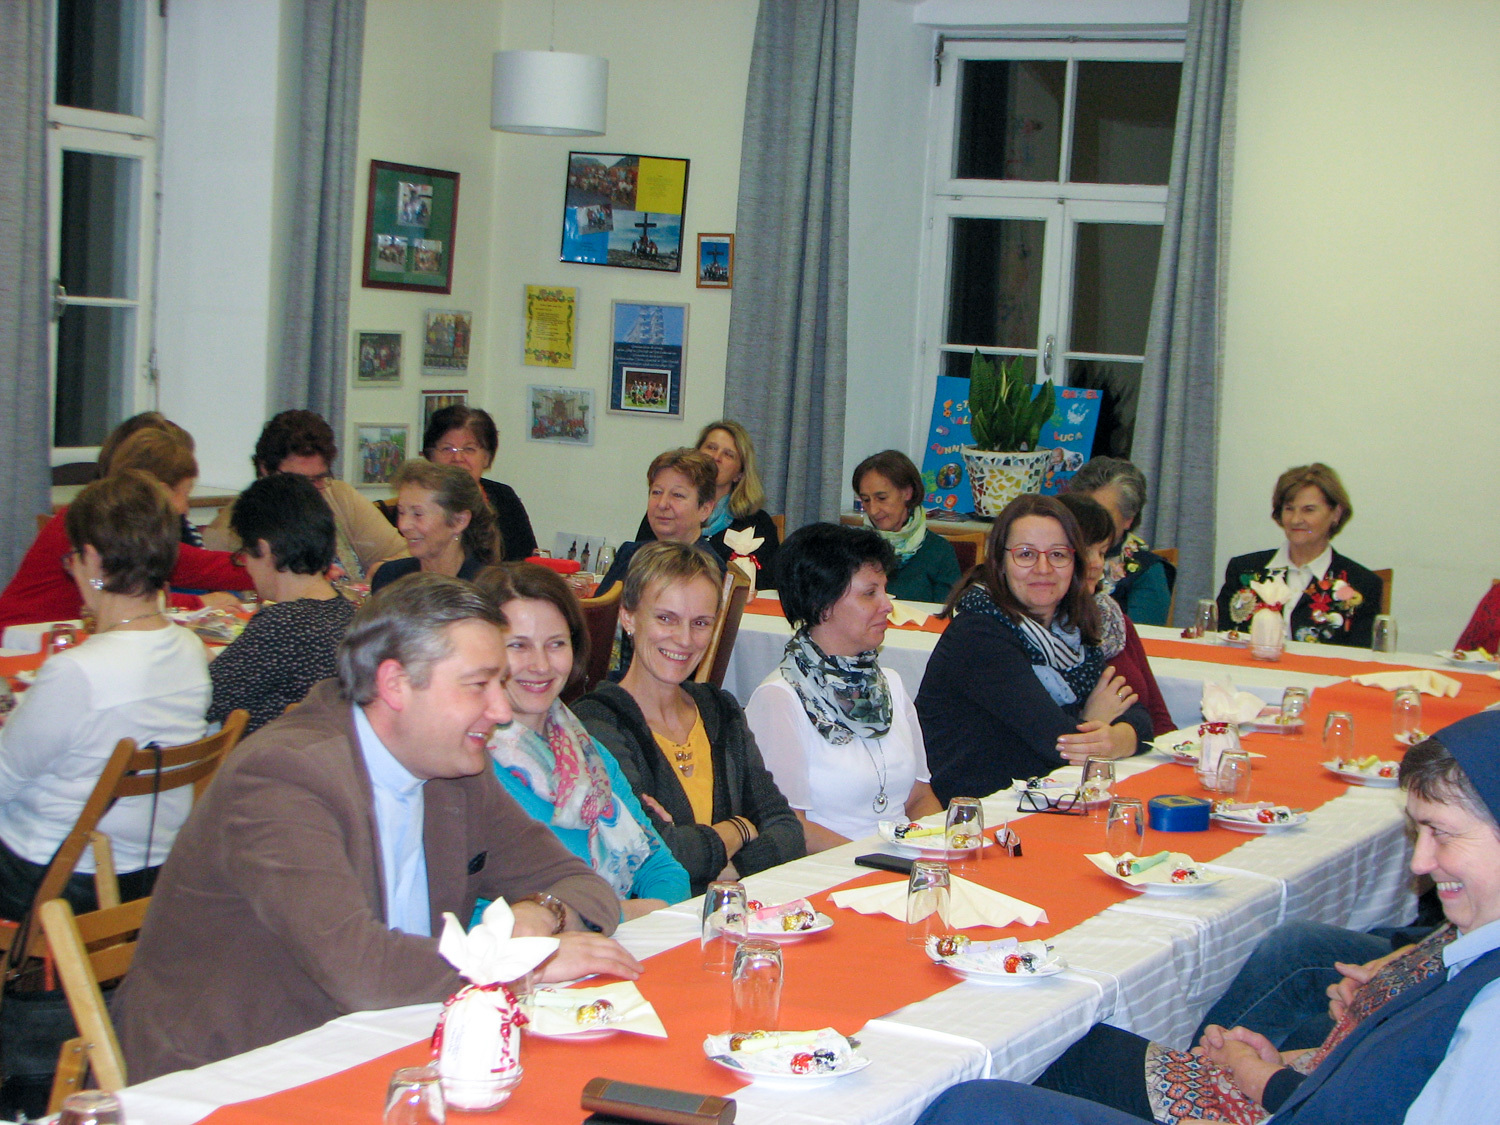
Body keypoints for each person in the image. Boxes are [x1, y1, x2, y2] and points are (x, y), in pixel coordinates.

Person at [114, 573, 637, 1083]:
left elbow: (585, 884)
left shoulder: (454, 772)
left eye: (499, 683)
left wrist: (543, 912)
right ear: (395, 685)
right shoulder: (283, 776)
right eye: (479, 685)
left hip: (381, 1049)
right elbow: (359, 968)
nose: (501, 711)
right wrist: (521, 964)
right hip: (228, 1076)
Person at [911, 712, 1500, 1125]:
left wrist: (1265, 1082)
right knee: (1069, 1048)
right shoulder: (1477, 948)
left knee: (973, 1106)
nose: (1420, 862)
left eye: (1443, 834)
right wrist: (1287, 1065)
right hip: (1305, 1091)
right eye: (1418, 832)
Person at [0, 471, 210, 921]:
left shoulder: (77, 671)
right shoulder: (192, 651)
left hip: (55, 880)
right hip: (153, 874)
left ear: (92, 559)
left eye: (73, 558)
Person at [574, 542, 804, 896]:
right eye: (666, 618)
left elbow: (787, 831)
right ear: (628, 616)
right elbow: (651, 853)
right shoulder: (596, 722)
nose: (684, 639)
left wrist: (732, 870)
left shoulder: (720, 710)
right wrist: (740, 828)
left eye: (700, 623)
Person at [475, 563, 689, 919]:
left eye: (556, 644)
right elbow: (475, 917)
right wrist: (616, 915)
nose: (541, 665)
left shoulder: (588, 754)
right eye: (518, 646)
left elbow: (666, 873)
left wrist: (608, 916)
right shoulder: (469, 767)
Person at [916, 493, 1152, 804]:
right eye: (1026, 554)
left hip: (1040, 797)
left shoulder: (1070, 630)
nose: (1043, 568)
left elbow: (1140, 718)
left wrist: (1113, 739)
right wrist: (1094, 721)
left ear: (1075, 563)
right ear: (1000, 562)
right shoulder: (979, 633)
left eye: (1058, 554)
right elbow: (1058, 743)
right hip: (973, 810)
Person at [746, 523, 941, 850]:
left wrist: (932, 847)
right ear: (822, 605)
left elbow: (919, 797)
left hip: (898, 860)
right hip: (831, 867)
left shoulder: (890, 684)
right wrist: (878, 860)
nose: (887, 605)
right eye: (870, 593)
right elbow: (789, 826)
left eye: (884, 590)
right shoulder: (781, 698)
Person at [0, 429, 250, 629]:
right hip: (18, 645)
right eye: (184, 493)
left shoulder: (100, 516)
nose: (185, 508)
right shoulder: (96, 523)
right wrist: (200, 601)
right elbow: (198, 569)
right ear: (161, 491)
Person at [207, 474, 356, 733]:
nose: (248, 568)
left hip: (272, 755)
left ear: (264, 550)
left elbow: (205, 701)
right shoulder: (346, 612)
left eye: (245, 554)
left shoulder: (281, 625)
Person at [204, 410, 409, 585]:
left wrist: (384, 568)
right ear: (266, 470)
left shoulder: (339, 497)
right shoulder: (229, 531)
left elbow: (407, 554)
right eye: (298, 481)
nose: (309, 492)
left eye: (319, 479)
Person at [1214, 463, 1383, 647]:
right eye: (1289, 509)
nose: (1296, 520)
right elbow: (1217, 637)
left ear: (1336, 513)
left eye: (1308, 510)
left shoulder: (1362, 584)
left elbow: (1360, 657)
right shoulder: (1244, 570)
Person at [1057, 493, 1174, 738]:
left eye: (1102, 552)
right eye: (1086, 551)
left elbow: (1158, 717)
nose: (1097, 563)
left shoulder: (1111, 617)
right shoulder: (1037, 632)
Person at [632, 420, 780, 587]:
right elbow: (638, 568)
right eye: (711, 448)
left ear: (739, 474)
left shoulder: (757, 523)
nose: (716, 458)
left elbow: (765, 585)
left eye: (728, 454)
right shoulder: (665, 512)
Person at [596, 448, 727, 599]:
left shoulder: (707, 571)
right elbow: (598, 610)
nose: (662, 504)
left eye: (677, 495)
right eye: (656, 492)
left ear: (705, 509)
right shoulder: (630, 554)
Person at [1066, 457, 1174, 626]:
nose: (1090, 522)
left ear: (1128, 518)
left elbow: (1140, 637)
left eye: (1103, 514)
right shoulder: (1057, 554)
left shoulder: (1147, 571)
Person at [423, 404, 538, 561]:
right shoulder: (416, 500)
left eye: (469, 449)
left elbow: (527, 561)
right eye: (447, 449)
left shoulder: (503, 497)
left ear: (486, 457)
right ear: (430, 456)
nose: (458, 458)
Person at [370, 460, 502, 592]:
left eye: (418, 514)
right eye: (401, 512)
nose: (403, 526)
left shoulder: (486, 587)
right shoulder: (389, 578)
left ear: (459, 521)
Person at [853, 450, 961, 603]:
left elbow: (947, 611)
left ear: (907, 493)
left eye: (882, 498)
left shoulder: (939, 551)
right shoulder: (854, 549)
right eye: (866, 500)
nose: (873, 510)